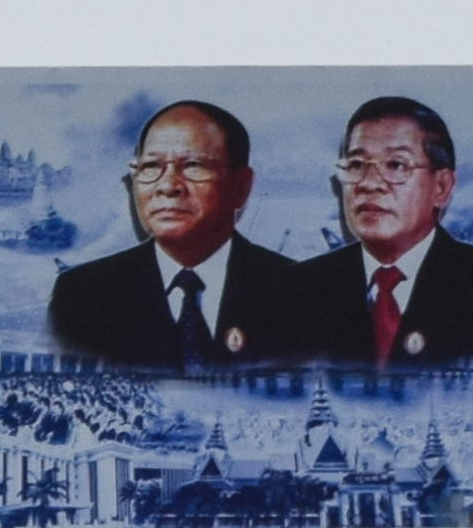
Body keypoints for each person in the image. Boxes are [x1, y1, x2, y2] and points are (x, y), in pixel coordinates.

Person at [276, 94, 473, 368]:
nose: (369, 183)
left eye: (396, 165)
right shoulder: (295, 291)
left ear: (441, 187)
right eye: (356, 165)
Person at [45, 100, 315, 373]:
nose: (167, 186)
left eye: (193, 165)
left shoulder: (300, 293)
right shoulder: (82, 295)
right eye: (151, 166)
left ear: (241, 186)